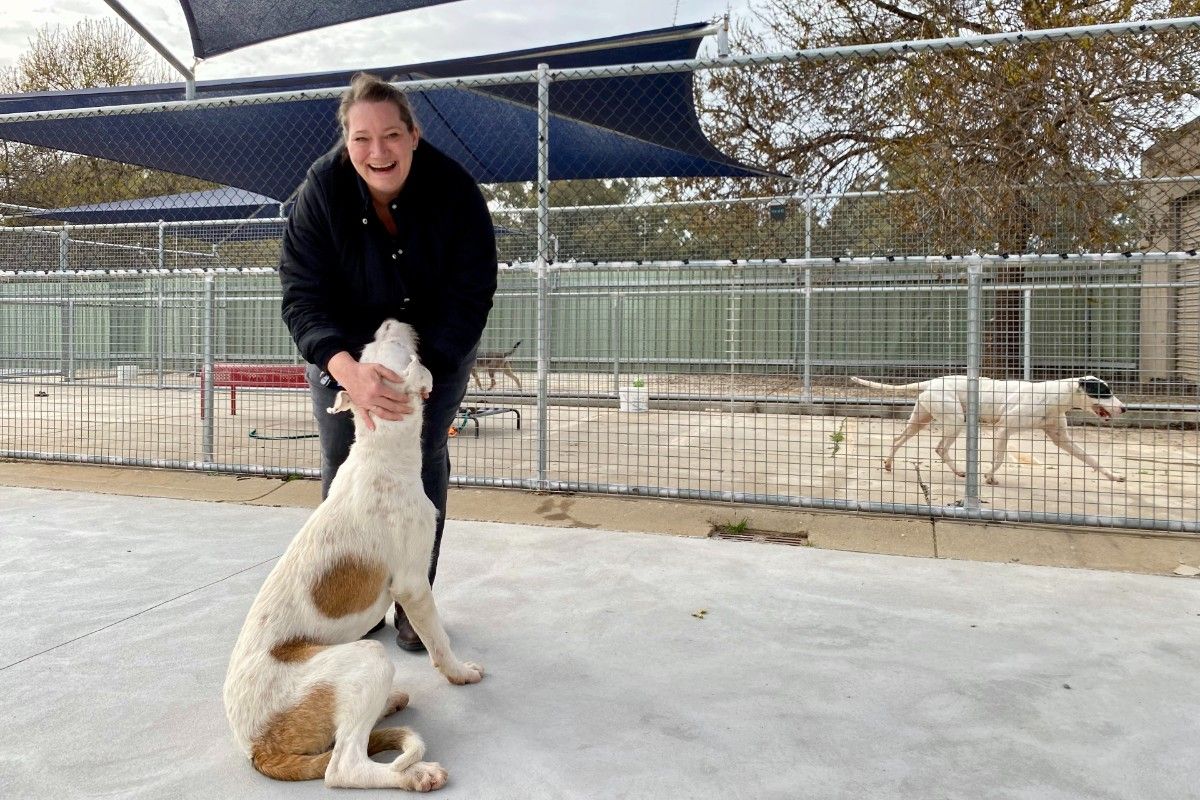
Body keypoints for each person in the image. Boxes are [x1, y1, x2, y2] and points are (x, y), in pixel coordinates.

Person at [279, 72, 497, 651]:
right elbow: (302, 295)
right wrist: (346, 370)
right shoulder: (319, 193)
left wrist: (428, 372)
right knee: (340, 456)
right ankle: (357, 599)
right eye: (362, 139)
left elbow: (472, 292)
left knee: (424, 454)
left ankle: (411, 597)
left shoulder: (454, 190)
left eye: (392, 135)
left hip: (434, 347)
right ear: (346, 142)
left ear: (414, 135)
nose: (378, 152)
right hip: (349, 351)